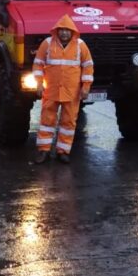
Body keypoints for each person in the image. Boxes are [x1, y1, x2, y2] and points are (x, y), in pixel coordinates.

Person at [32, 15, 94, 164]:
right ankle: (44, 151)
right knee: (47, 120)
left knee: (68, 122)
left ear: (73, 31)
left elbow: (88, 67)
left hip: (72, 92)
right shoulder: (47, 44)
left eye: (67, 30)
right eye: (62, 30)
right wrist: (39, 84)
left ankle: (63, 152)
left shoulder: (81, 45)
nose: (64, 33)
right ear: (57, 31)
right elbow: (38, 65)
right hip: (51, 91)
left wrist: (86, 88)